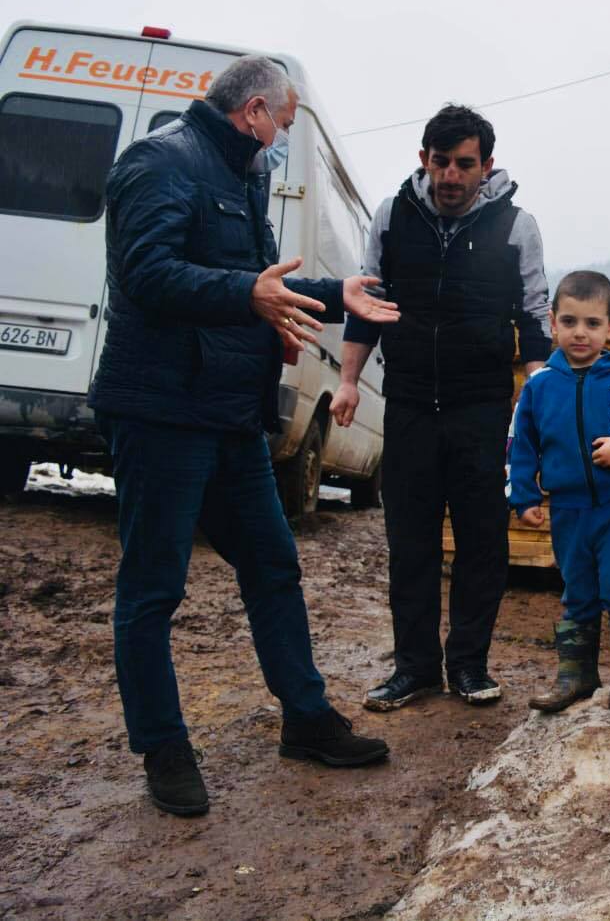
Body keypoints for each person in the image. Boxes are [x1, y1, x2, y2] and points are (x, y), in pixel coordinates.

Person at [90, 56, 400, 817]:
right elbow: (146, 272)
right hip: (163, 412)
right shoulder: (160, 161)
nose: (283, 141)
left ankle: (306, 719)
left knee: (273, 563)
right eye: (285, 127)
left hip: (229, 415)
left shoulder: (243, 175)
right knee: (154, 588)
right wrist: (247, 297)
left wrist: (335, 296)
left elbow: (257, 281)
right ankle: (163, 748)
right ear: (255, 111)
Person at [335, 104, 553, 709]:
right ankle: (415, 669)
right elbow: (366, 307)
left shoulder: (515, 225)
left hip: (481, 407)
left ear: (485, 166)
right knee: (411, 542)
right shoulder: (391, 216)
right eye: (440, 163)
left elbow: (534, 314)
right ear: (423, 160)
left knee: (483, 542)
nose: (451, 176)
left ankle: (469, 665)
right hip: (407, 405)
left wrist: (537, 393)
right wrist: (349, 382)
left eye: (464, 164)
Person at [506, 271, 610, 714]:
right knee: (577, 586)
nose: (580, 332)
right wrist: (523, 497)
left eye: (593, 323)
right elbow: (519, 444)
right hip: (567, 507)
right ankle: (576, 674)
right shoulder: (539, 387)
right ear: (552, 322)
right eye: (570, 321)